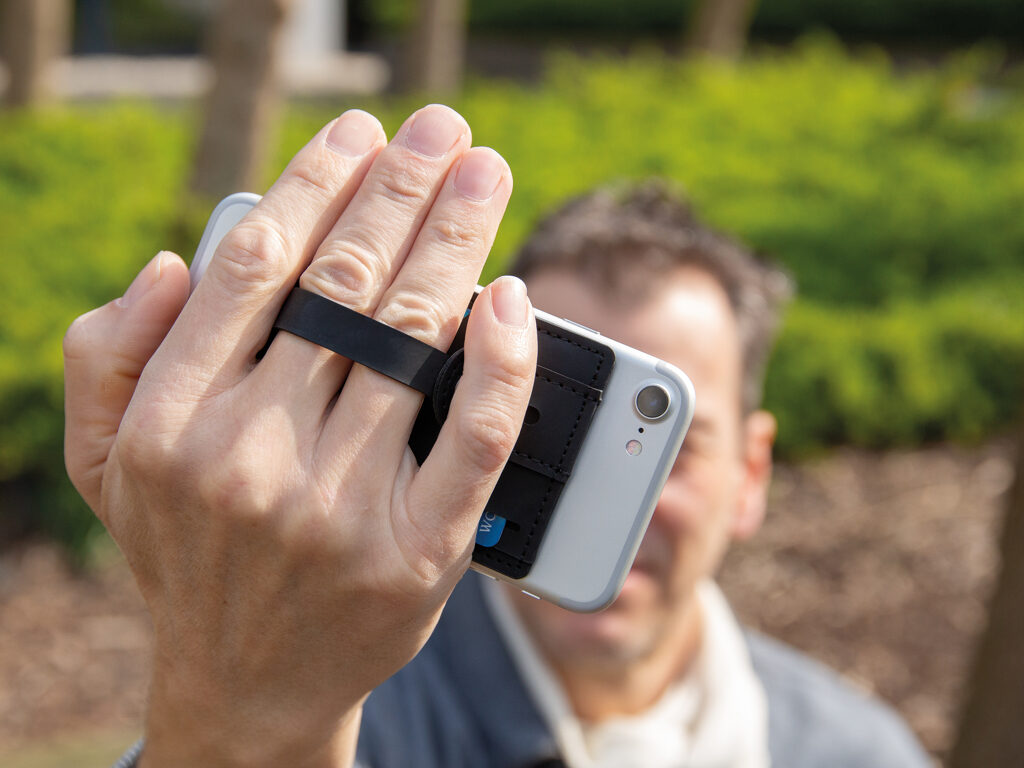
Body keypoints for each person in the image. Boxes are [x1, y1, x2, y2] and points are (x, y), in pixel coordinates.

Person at [62, 105, 928, 767]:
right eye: (534, 427)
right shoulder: (342, 701)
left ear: (751, 473)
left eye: (671, 446)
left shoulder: (859, 753)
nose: (623, 512)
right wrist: (239, 713)